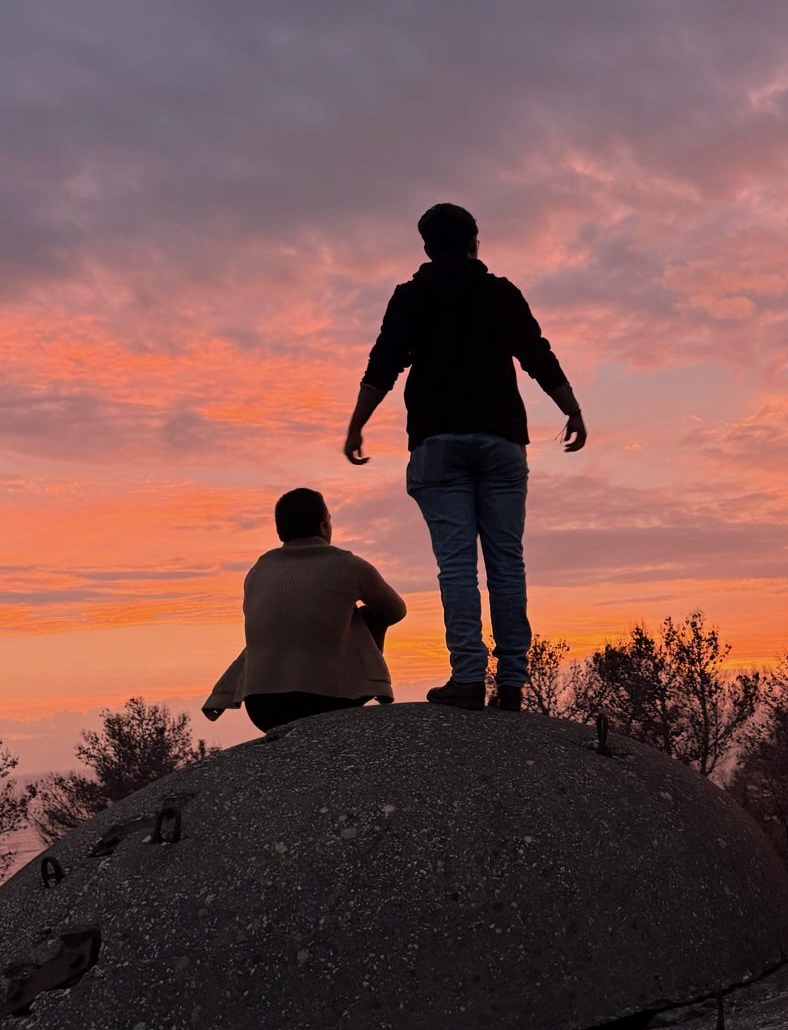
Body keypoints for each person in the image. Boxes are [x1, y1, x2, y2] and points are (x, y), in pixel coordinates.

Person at [342, 202, 586, 712]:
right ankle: (514, 683)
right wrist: (572, 409)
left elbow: (383, 362)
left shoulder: (411, 298)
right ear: (475, 240)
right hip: (500, 442)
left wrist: (357, 422)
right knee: (506, 563)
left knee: (456, 566)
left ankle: (468, 678)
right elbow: (537, 354)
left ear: (427, 247)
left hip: (437, 443)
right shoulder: (500, 294)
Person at [203, 488, 407, 732]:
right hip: (324, 701)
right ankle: (362, 683)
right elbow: (395, 610)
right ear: (323, 526)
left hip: (262, 707)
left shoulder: (259, 569)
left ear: (280, 531)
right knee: (370, 615)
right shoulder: (347, 564)